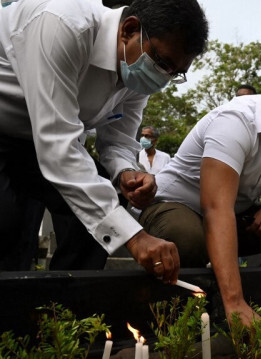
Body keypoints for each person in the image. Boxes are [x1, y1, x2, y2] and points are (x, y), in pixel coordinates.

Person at [0, 0, 208, 283]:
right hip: (17, 131)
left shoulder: (135, 72)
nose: (163, 78)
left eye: (175, 73)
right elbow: (58, 143)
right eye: (162, 63)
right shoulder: (64, 24)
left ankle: (69, 311)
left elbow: (119, 139)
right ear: (130, 29)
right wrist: (134, 237)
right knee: (8, 226)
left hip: (39, 142)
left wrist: (126, 173)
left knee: (95, 218)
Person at [139, 62, 261, 325]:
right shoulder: (235, 121)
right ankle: (195, 311)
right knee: (188, 238)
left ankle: (256, 304)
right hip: (176, 208)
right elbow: (215, 209)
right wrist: (233, 300)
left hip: (231, 216)